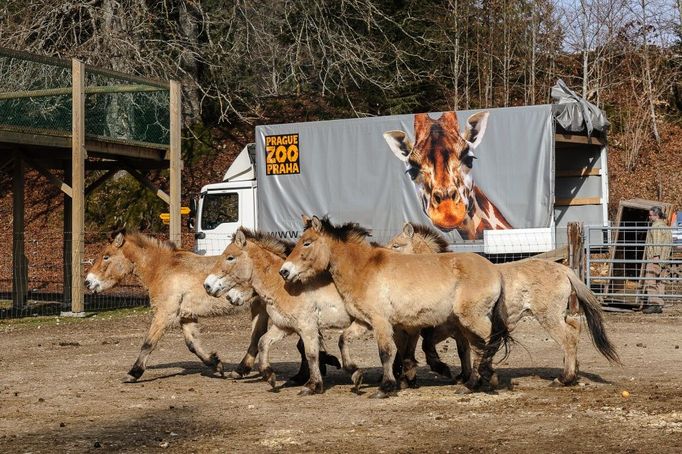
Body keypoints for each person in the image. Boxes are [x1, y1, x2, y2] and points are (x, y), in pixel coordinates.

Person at [642, 206, 672, 314]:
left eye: (650, 215)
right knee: (661, 282)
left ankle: (654, 304)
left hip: (655, 258)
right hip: (665, 259)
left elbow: (657, 242)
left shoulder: (656, 226)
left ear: (657, 215)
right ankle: (659, 303)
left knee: (650, 280)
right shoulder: (666, 227)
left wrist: (656, 256)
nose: (649, 217)